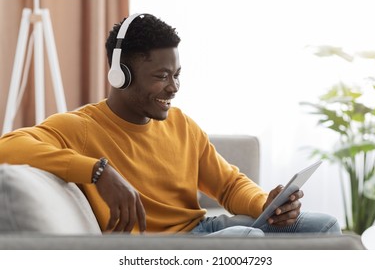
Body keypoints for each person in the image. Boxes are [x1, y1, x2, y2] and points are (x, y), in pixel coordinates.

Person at [0, 13, 340, 236]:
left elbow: (229, 185)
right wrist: (98, 171)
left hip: (202, 229)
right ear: (121, 76)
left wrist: (265, 203)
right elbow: (8, 147)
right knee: (246, 238)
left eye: (177, 75)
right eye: (162, 76)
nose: (174, 88)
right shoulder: (81, 126)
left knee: (323, 226)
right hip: (158, 250)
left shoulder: (181, 124)